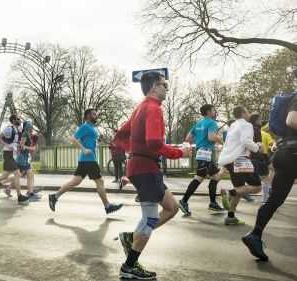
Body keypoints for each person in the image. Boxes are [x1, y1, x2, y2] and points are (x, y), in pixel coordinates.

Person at [113, 72, 190, 279]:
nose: (166, 88)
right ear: (154, 86)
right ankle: (129, 267)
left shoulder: (140, 107)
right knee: (151, 218)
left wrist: (133, 153)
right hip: (146, 170)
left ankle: (133, 237)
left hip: (143, 168)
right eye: (164, 85)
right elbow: (154, 143)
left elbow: (120, 135)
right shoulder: (153, 108)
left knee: (172, 208)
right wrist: (179, 152)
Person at [242, 94, 297, 261]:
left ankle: (255, 234)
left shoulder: (291, 98)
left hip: (285, 153)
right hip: (293, 154)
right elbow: (292, 120)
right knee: (274, 198)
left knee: (274, 200)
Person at [48, 109, 123, 214]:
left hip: (85, 160)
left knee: (76, 181)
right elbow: (73, 138)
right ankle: (107, 206)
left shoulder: (92, 128)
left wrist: (98, 142)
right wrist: (84, 149)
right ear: (88, 116)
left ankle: (54, 196)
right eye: (94, 114)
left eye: (96, 114)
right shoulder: (85, 126)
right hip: (89, 160)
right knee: (100, 181)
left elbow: (91, 141)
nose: (96, 116)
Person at [218, 106, 262, 226]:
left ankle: (230, 216)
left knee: (240, 188)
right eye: (247, 111)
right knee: (257, 187)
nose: (249, 114)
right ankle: (228, 193)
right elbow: (246, 141)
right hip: (240, 159)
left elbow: (230, 143)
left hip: (229, 159)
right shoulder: (246, 125)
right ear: (243, 113)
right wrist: (257, 147)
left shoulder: (233, 125)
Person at [178, 104, 224, 216]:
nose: (215, 112)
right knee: (205, 177)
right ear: (209, 111)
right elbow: (211, 137)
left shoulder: (198, 123)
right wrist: (221, 139)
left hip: (200, 152)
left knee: (212, 177)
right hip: (207, 153)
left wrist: (198, 141)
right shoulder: (212, 123)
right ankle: (184, 201)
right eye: (213, 110)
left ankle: (212, 203)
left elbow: (188, 138)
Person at [0, 114, 30, 205]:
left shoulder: (17, 130)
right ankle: (20, 196)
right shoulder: (9, 128)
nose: (20, 121)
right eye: (18, 119)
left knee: (4, 176)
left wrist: (19, 148)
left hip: (13, 155)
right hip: (8, 154)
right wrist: (7, 145)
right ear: (13, 120)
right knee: (17, 173)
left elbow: (16, 142)